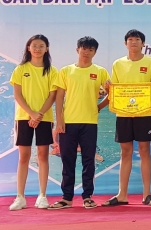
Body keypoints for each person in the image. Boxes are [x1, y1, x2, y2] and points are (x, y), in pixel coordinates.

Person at [48, 36, 109, 210]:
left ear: (95, 52)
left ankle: (87, 196)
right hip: (68, 123)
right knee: (68, 160)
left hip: (89, 123)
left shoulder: (101, 71)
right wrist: (59, 120)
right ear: (77, 50)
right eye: (84, 48)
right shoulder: (66, 71)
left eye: (91, 49)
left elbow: (111, 93)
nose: (87, 52)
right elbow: (59, 96)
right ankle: (66, 198)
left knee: (89, 161)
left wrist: (98, 107)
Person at [103, 29, 151, 207]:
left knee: (144, 151)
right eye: (130, 39)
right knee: (125, 152)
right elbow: (115, 90)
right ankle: (122, 195)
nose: (133, 42)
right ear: (125, 43)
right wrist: (108, 90)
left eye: (137, 39)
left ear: (143, 43)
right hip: (124, 114)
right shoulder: (118, 64)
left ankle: (147, 195)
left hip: (144, 113)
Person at [9, 34, 58, 211]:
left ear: (47, 48)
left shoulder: (52, 71)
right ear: (29, 48)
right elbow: (17, 95)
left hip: (44, 118)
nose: (37, 49)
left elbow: (52, 95)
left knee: (43, 156)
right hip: (24, 117)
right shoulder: (20, 69)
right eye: (34, 45)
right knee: (24, 157)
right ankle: (20, 197)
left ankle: (42, 196)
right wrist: (31, 113)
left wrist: (39, 114)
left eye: (41, 46)